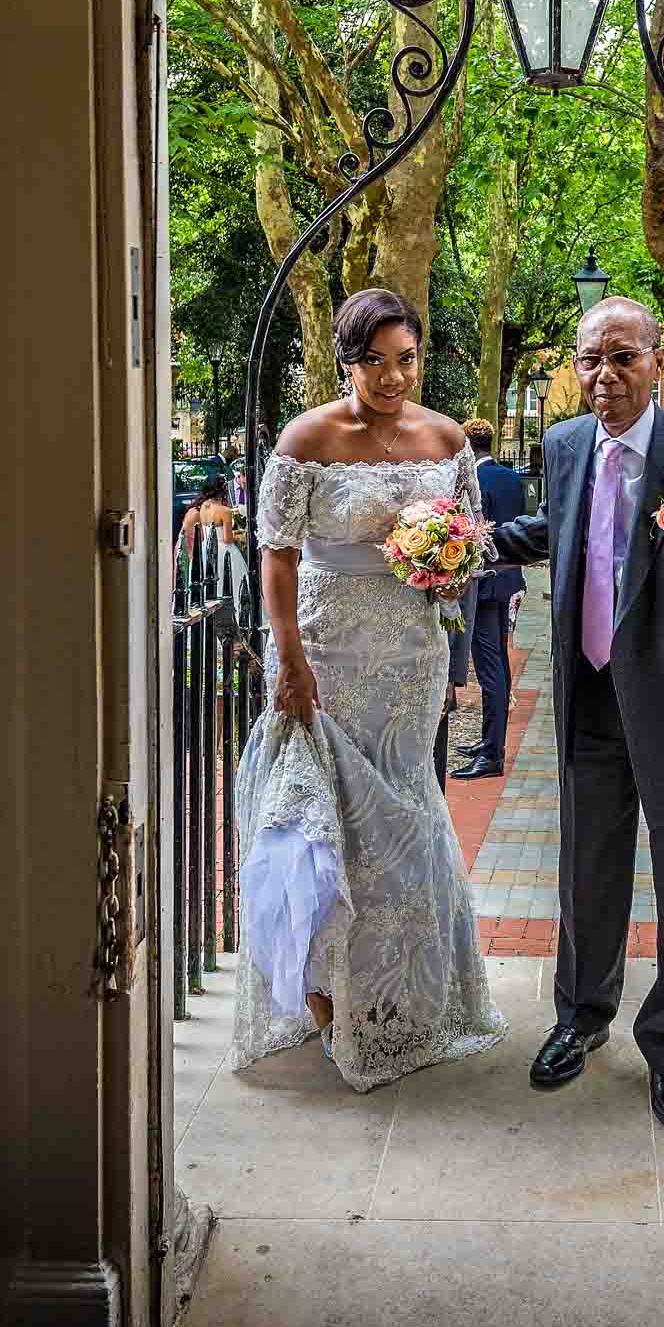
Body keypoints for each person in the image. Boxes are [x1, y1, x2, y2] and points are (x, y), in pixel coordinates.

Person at [489, 297, 664, 1132]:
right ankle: (581, 1017)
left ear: (657, 360)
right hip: (588, 694)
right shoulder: (566, 444)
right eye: (589, 359)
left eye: (623, 358)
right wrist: (472, 543)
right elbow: (571, 530)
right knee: (586, 872)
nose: (604, 376)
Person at [231, 287, 505, 1091]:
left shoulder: (446, 438)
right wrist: (289, 659)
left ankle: (405, 1000)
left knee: (408, 824)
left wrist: (448, 571)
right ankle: (326, 999)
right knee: (330, 828)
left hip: (410, 654)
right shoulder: (308, 436)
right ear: (346, 360)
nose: (392, 377)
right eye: (374, 361)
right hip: (324, 651)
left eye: (406, 359)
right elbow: (277, 555)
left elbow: (471, 545)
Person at [451, 417, 526, 781]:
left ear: (466, 446)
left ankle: (492, 752)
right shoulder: (512, 477)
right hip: (509, 579)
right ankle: (489, 742)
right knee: (500, 664)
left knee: (489, 670)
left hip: (483, 585)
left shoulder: (473, 480)